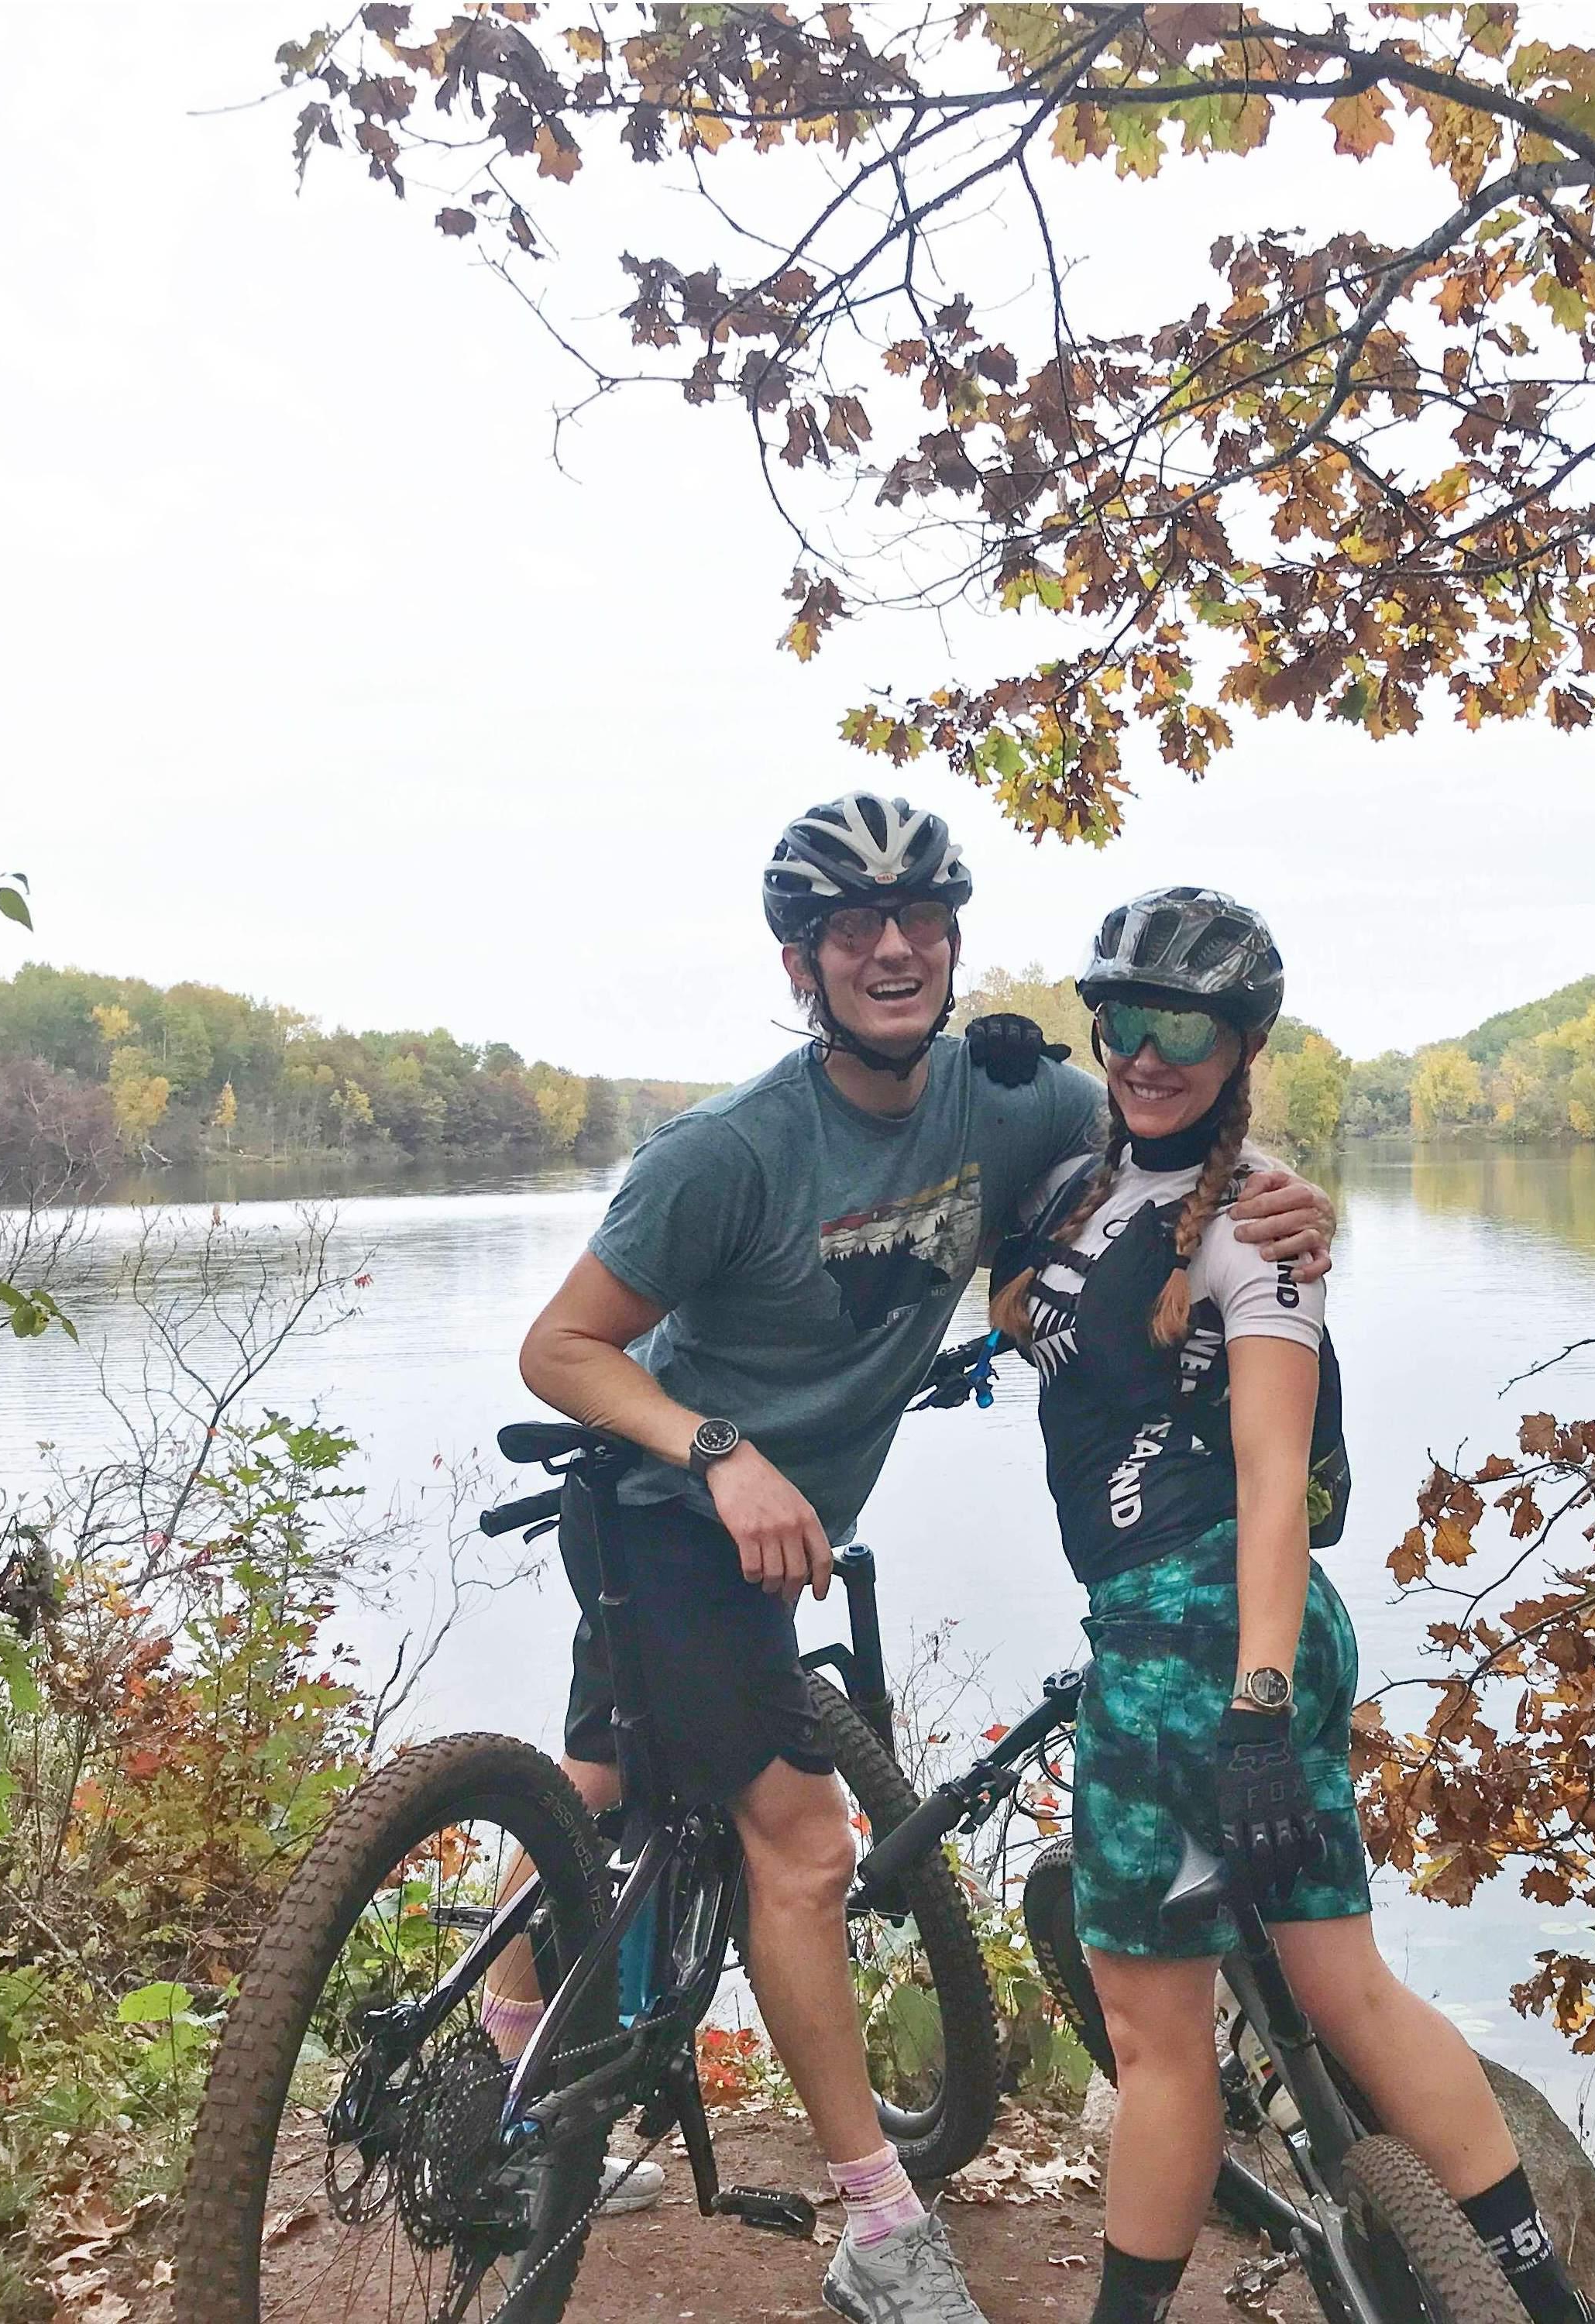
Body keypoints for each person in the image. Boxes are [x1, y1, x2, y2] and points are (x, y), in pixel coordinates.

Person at [502, 799, 1336, 2323]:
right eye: (851, 930)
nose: (893, 950)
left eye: (922, 923)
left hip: (766, 1543)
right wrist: (716, 1449)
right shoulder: (728, 1151)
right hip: (667, 1521)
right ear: (799, 961)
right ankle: (880, 2225)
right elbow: (559, 1346)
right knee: (809, 1853)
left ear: (952, 945)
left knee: (602, 1780)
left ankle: (503, 2062)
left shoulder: (1005, 1103)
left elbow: (1172, 1132)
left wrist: (1288, 1209)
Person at [989, 887, 1595, 2324]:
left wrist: (1255, 1705)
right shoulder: (1088, 1187)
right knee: (1347, 1991)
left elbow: (1274, 1478)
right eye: (1124, 1020)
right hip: (1220, 1633)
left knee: (1158, 2039)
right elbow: (1030, 1305)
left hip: (1196, 1644)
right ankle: (1548, 2305)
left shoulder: (1257, 1227)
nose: (1147, 1054)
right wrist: (984, 1077)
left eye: (1183, 1027)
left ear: (1242, 1039)